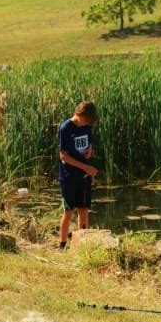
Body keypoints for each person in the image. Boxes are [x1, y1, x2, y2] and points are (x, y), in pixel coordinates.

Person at [58, 101, 98, 250]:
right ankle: (62, 245)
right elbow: (64, 156)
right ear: (79, 115)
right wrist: (86, 167)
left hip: (84, 176)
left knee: (84, 210)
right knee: (68, 211)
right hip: (69, 176)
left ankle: (82, 244)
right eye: (86, 121)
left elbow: (89, 145)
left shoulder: (87, 126)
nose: (87, 125)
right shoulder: (66, 128)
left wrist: (90, 151)